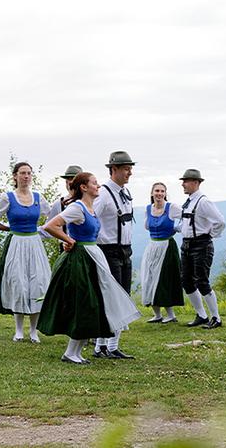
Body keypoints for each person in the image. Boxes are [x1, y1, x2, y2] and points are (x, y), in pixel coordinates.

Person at [38, 172, 141, 364]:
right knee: (85, 303)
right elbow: (51, 226)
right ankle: (70, 352)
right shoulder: (77, 208)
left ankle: (75, 352)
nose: (98, 186)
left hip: (93, 256)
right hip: (81, 259)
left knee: (94, 303)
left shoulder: (90, 208)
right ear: (84, 187)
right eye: (94, 183)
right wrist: (69, 240)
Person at [0, 162, 52, 343]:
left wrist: (42, 230)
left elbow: (52, 217)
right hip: (16, 243)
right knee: (19, 283)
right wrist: (8, 229)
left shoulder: (38, 197)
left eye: (29, 173)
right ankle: (19, 330)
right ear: (15, 176)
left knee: (38, 284)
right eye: (22, 173)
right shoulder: (7, 198)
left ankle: (34, 331)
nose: (26, 176)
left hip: (35, 243)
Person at [92, 151, 137, 359]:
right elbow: (91, 217)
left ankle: (110, 345)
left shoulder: (123, 192)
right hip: (108, 250)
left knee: (122, 296)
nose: (129, 172)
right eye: (126, 168)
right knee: (112, 298)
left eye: (130, 168)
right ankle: (102, 345)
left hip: (124, 250)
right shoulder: (102, 194)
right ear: (114, 170)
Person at [179, 169, 226, 329]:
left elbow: (220, 221)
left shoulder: (203, 202)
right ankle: (201, 315)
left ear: (195, 183)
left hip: (201, 245)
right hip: (186, 244)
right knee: (186, 280)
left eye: (186, 181)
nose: (183, 184)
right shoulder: (189, 201)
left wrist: (209, 235)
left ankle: (216, 318)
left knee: (202, 281)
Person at [141, 183, 185, 324]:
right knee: (150, 277)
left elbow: (187, 217)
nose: (159, 193)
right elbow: (147, 226)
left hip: (167, 246)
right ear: (152, 193)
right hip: (152, 246)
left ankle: (171, 315)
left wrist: (178, 228)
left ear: (165, 193)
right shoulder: (148, 209)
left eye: (162, 191)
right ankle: (157, 314)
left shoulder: (172, 208)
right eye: (157, 191)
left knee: (164, 279)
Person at [49, 165, 83, 253]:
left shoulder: (91, 202)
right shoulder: (59, 204)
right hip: (66, 248)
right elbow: (48, 227)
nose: (70, 182)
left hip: (87, 246)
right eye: (68, 179)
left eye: (73, 179)